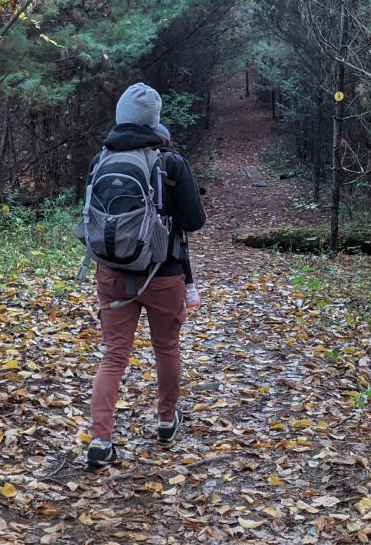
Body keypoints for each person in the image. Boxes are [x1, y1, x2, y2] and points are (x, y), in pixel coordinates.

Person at [86, 83, 206, 470]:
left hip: (113, 273)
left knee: (114, 355)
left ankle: (101, 440)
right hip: (164, 273)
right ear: (154, 121)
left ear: (121, 116)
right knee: (166, 349)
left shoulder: (100, 160)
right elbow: (194, 221)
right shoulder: (170, 162)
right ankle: (166, 421)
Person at [154, 124, 202, 309]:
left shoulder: (104, 158)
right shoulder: (172, 162)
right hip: (165, 265)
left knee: (115, 339)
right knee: (166, 338)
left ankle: (190, 286)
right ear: (164, 139)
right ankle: (190, 287)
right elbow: (193, 220)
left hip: (112, 267)